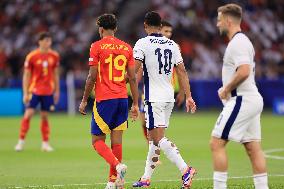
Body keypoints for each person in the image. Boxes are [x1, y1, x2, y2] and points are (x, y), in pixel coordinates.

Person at [132, 11, 197, 189]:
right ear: (160, 26)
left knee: (157, 137)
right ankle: (145, 179)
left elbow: (133, 71)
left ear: (145, 25)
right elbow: (182, 71)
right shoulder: (172, 45)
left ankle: (186, 169)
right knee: (155, 140)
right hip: (169, 96)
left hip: (153, 97)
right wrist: (189, 96)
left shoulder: (142, 43)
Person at [210, 4, 269, 189]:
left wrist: (226, 88)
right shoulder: (241, 41)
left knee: (216, 143)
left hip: (242, 99)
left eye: (219, 20)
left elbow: (244, 71)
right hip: (251, 99)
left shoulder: (238, 42)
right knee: (253, 148)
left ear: (228, 21)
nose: (218, 24)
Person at [78, 14, 139, 189]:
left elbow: (91, 76)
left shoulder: (96, 46)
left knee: (97, 141)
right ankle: (113, 183)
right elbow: (133, 78)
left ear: (100, 29)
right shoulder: (127, 48)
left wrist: (83, 100)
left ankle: (118, 166)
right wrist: (135, 103)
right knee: (117, 141)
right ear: (116, 29)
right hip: (122, 99)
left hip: (105, 99)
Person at [138, 20, 185, 142]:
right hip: (149, 88)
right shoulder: (147, 44)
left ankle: (155, 149)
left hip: (164, 89)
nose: (169, 34)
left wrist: (182, 91)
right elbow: (139, 68)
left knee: (156, 123)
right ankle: (154, 147)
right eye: (166, 31)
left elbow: (180, 70)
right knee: (143, 120)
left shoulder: (173, 46)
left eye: (170, 31)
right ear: (159, 30)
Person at [15, 32, 60, 152]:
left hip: (48, 91)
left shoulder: (54, 56)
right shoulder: (32, 56)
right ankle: (21, 142)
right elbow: (26, 76)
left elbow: (56, 75)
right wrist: (25, 93)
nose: (48, 43)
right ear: (39, 42)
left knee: (45, 116)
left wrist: (57, 91)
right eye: (46, 41)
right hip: (34, 90)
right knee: (28, 114)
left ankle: (45, 144)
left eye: (49, 41)